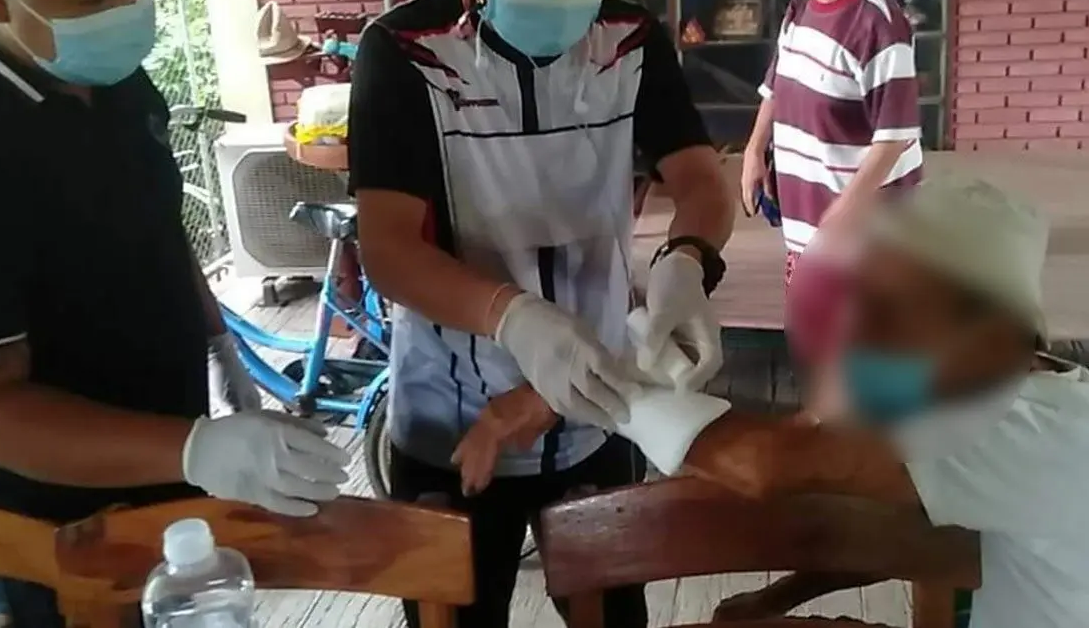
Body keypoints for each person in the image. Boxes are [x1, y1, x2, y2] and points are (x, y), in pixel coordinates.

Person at [0, 0, 349, 625]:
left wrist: (218, 344)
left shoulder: (111, 78)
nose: (130, 11)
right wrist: (195, 447)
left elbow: (155, 222)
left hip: (163, 475)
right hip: (46, 524)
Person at [456, 175, 1088, 628]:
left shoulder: (1024, 427)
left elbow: (769, 463)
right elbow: (893, 501)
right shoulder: (1022, 398)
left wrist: (585, 391)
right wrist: (780, 597)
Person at [347, 0, 734, 623]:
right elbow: (388, 249)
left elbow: (700, 177)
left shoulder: (632, 41)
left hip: (601, 407)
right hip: (455, 420)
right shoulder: (404, 53)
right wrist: (512, 317)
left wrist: (687, 259)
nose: (564, 7)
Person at [739, 0, 922, 284]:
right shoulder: (801, 5)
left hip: (865, 242)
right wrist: (754, 150)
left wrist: (845, 209)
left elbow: (893, 138)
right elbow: (776, 84)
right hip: (807, 230)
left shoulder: (879, 25)